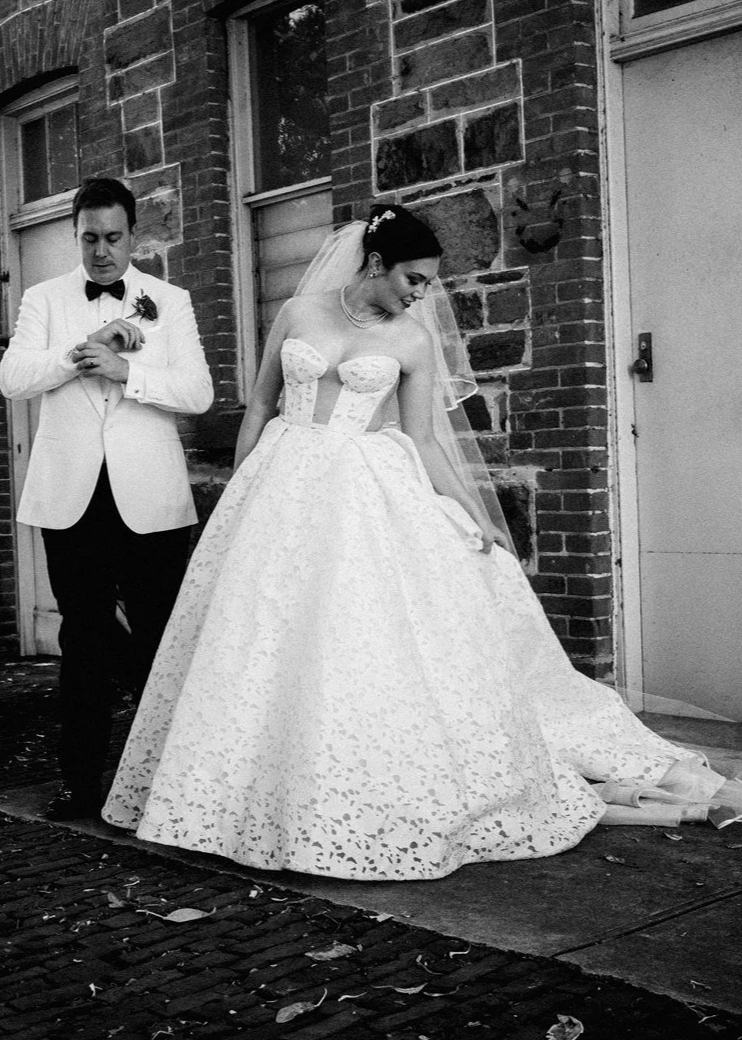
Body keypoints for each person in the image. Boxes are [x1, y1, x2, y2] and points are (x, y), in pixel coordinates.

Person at [102, 204, 737, 879]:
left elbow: (424, 439)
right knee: (254, 637)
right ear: (374, 263)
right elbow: (259, 404)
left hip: (363, 489)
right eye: (413, 277)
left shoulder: (410, 341)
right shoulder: (297, 313)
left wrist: (473, 509)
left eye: (427, 283)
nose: (420, 293)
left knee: (351, 635)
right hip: (277, 483)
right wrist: (238, 487)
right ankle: (224, 797)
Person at [0, 177, 214, 820]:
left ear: (133, 236)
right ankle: (80, 784)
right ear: (74, 233)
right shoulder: (42, 298)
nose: (100, 252)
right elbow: (14, 378)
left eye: (113, 238)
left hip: (149, 500)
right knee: (82, 646)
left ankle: (161, 784)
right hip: (71, 499)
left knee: (156, 640)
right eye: (89, 238)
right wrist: (76, 357)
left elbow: (198, 392)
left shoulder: (167, 302)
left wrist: (130, 371)